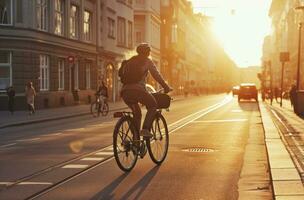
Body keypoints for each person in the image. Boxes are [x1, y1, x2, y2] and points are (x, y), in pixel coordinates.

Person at [119, 43, 172, 139]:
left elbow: (121, 75)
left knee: (137, 113)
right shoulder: (147, 61)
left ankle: (135, 140)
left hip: (125, 92)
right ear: (148, 53)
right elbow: (156, 75)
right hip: (139, 91)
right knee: (153, 105)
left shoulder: (130, 61)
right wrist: (166, 86)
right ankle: (145, 129)